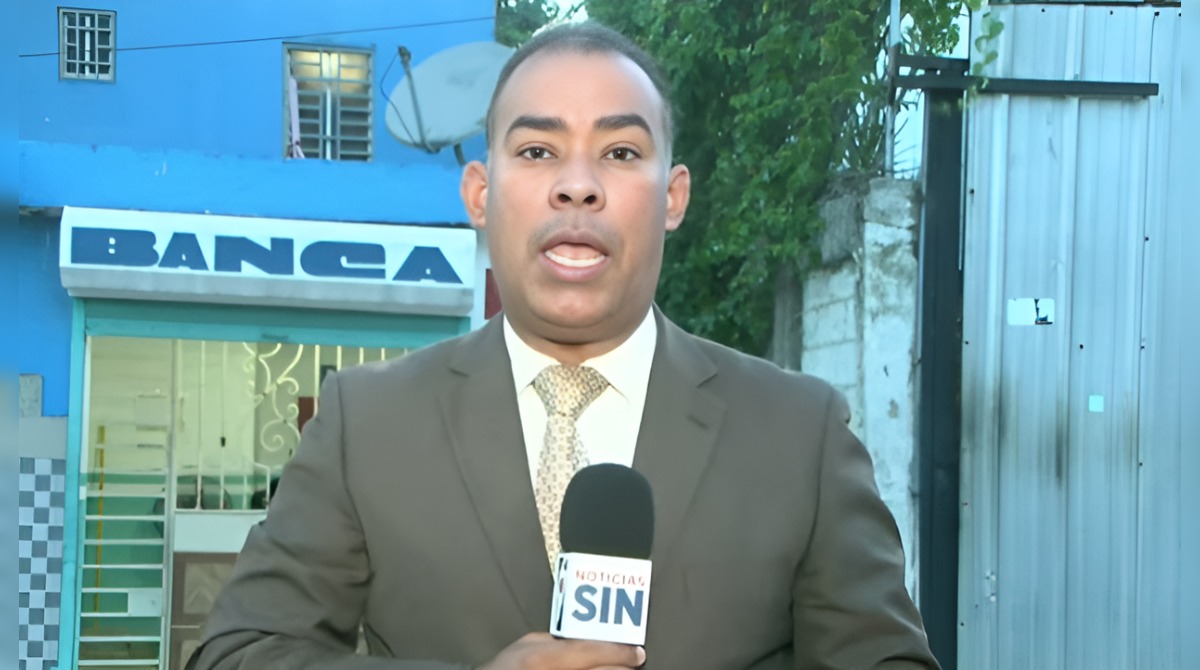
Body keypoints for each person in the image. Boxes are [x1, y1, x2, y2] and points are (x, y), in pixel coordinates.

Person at [189, 22, 939, 670]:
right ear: (480, 193)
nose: (578, 185)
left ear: (673, 196)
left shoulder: (798, 434)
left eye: (620, 152)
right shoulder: (368, 424)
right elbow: (236, 653)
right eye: (538, 150)